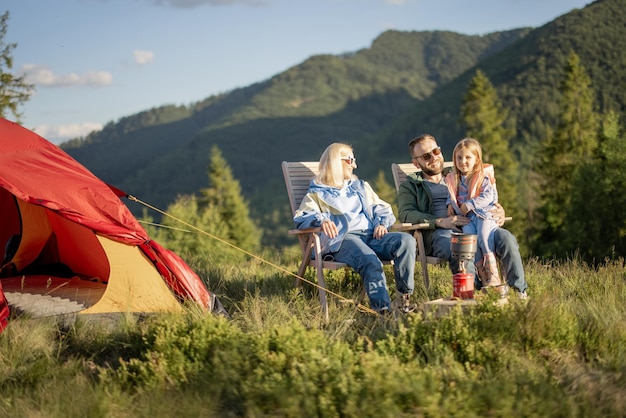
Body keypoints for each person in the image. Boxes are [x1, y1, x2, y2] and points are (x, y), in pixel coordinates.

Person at [397, 134, 528, 298]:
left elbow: (485, 193)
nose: (434, 158)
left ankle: (519, 292)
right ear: (416, 163)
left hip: (478, 223)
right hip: (441, 233)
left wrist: (498, 210)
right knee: (462, 249)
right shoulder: (411, 185)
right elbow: (406, 213)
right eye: (426, 156)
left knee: (506, 239)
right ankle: (473, 296)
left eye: (436, 151)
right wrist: (439, 221)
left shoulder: (459, 175)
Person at [294, 142, 417, 315]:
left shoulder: (360, 187)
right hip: (344, 239)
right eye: (350, 160)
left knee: (406, 241)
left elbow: (381, 208)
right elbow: (301, 217)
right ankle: (383, 311)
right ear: (337, 161)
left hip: (371, 235)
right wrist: (321, 220)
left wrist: (381, 223)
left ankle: (403, 300)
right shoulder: (316, 194)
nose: (354, 165)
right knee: (370, 259)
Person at [445, 138, 505, 294]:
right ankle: (482, 273)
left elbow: (489, 196)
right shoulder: (454, 179)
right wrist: (449, 205)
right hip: (468, 219)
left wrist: (470, 204)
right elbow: (451, 195)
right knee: (470, 241)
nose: (462, 161)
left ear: (477, 159)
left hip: (484, 215)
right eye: (459, 157)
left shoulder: (482, 177)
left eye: (467, 158)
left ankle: (493, 273)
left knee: (484, 236)